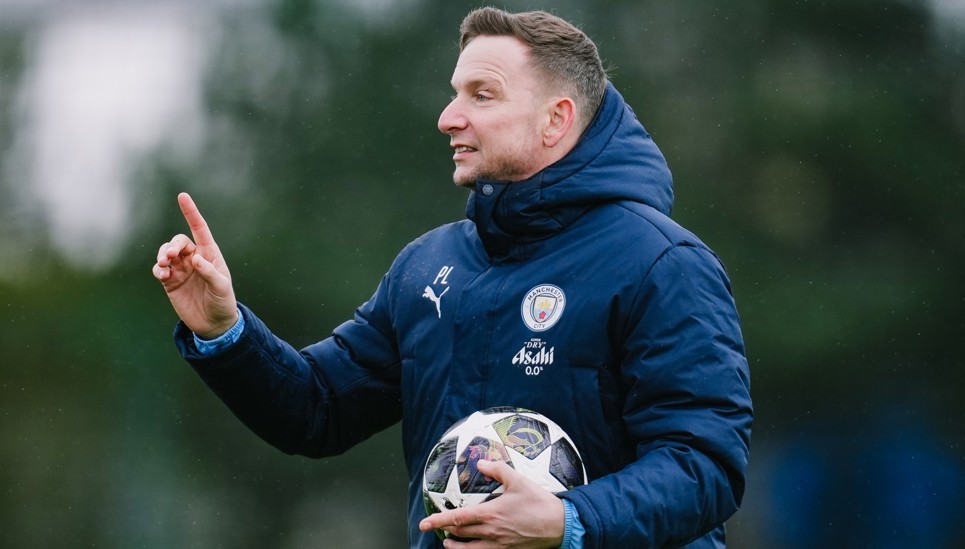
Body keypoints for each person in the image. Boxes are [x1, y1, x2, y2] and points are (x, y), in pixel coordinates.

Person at [153, 7, 752, 548]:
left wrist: (570, 521)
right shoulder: (427, 266)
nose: (448, 117)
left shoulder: (662, 263)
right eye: (453, 93)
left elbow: (703, 465)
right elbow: (318, 409)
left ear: (555, 119)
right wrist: (225, 330)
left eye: (482, 95)